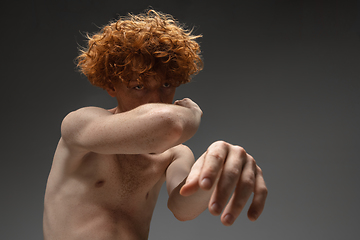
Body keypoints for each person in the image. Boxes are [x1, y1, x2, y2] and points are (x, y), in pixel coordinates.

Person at [43, 10, 268, 240]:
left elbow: (183, 208)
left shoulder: (174, 154)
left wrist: (212, 173)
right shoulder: (80, 125)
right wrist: (192, 113)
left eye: (166, 85)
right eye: (138, 86)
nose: (155, 100)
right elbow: (170, 125)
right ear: (112, 86)